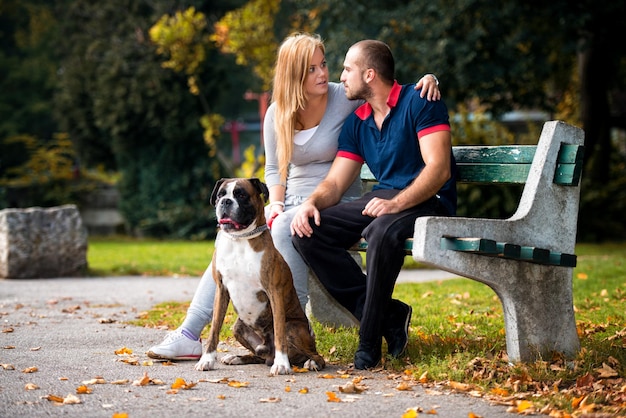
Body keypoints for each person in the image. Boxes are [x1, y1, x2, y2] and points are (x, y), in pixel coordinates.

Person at [147, 33, 442, 361]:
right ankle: (191, 331)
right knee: (231, 244)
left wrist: (427, 81)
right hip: (290, 201)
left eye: (324, 64)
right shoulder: (278, 113)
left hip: (335, 202)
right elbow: (274, 169)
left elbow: (382, 84)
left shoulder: (345, 97)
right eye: (312, 69)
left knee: (288, 226)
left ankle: (293, 332)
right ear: (293, 76)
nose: (324, 74)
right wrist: (274, 203)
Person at [290, 40, 456, 370]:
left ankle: (368, 346)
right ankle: (388, 315)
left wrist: (396, 204)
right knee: (308, 233)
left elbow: (438, 170)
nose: (341, 76)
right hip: (385, 199)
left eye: (347, 70)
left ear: (369, 74)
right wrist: (310, 204)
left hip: (429, 201)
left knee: (381, 231)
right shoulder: (358, 122)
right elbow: (336, 183)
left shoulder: (420, 101)